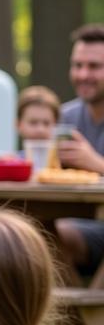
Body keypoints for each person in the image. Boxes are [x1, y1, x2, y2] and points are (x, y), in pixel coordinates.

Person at [56, 24, 104, 271]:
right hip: (69, 219)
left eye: (94, 66)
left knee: (49, 236)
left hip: (96, 228)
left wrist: (96, 164)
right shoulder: (64, 116)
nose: (83, 74)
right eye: (78, 65)